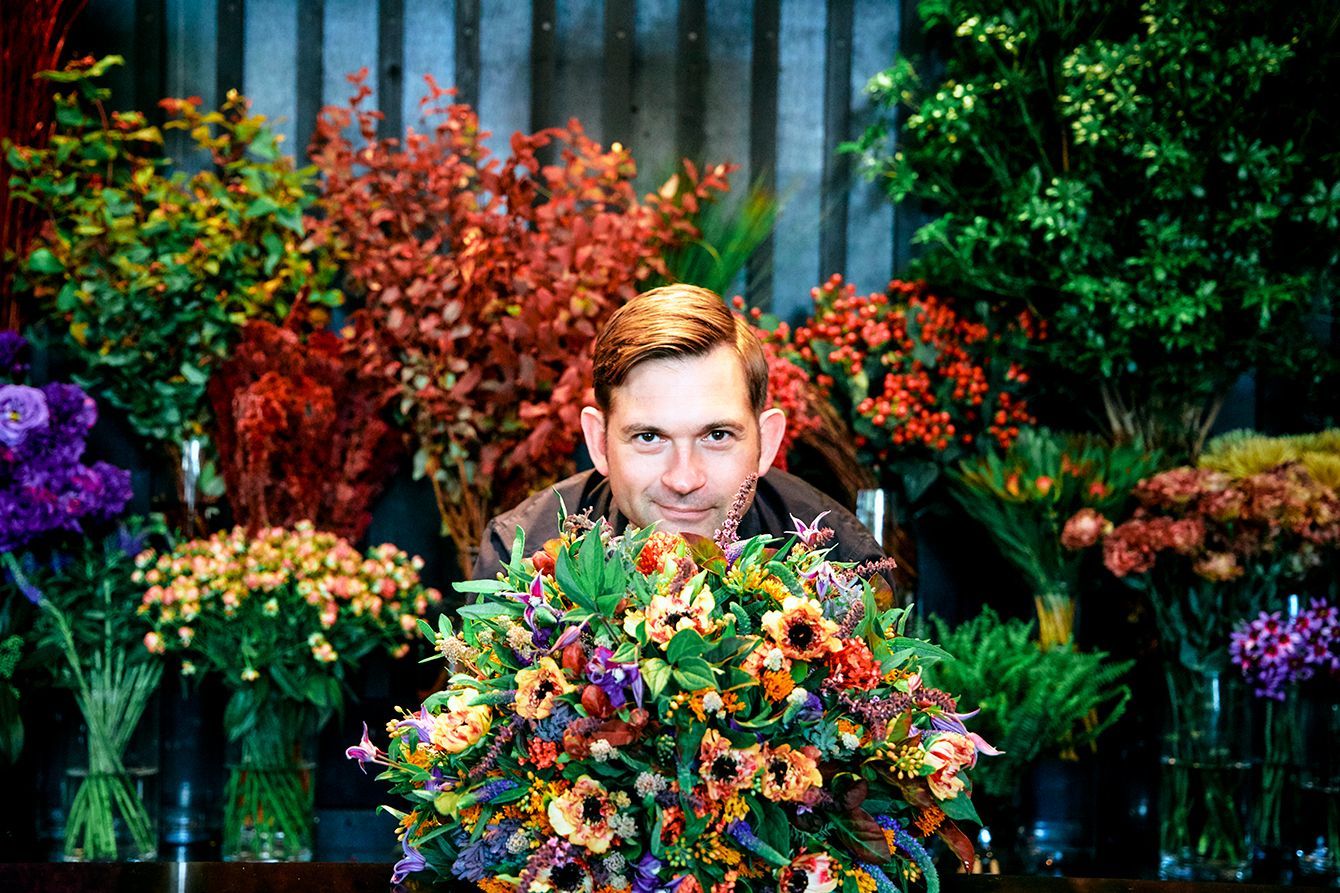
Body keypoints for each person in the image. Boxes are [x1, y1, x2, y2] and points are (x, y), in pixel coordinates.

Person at [471, 283, 888, 579]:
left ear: (766, 442)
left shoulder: (845, 568)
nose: (684, 480)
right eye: (649, 437)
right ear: (599, 442)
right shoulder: (520, 561)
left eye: (717, 436)